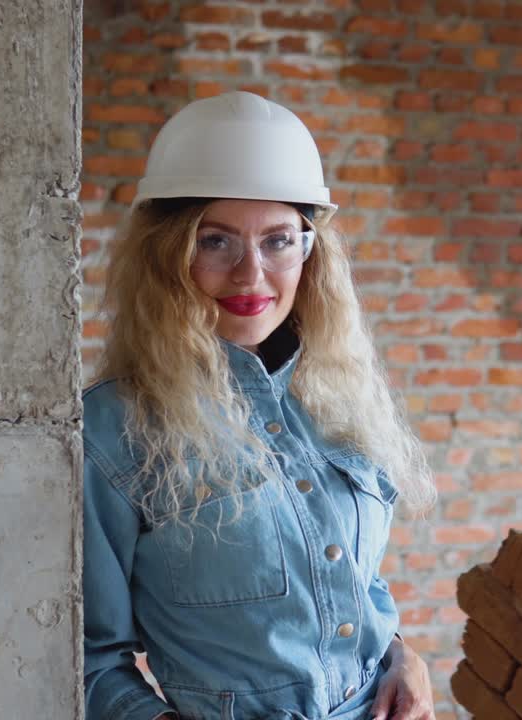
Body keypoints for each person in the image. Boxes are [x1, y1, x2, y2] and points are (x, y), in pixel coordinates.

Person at [82, 91, 437, 720]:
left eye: (277, 241)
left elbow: (348, 579)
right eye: (216, 242)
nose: (251, 275)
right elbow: (88, 660)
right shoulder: (113, 432)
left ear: (310, 252)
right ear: (168, 256)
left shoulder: (337, 396)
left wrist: (402, 657)